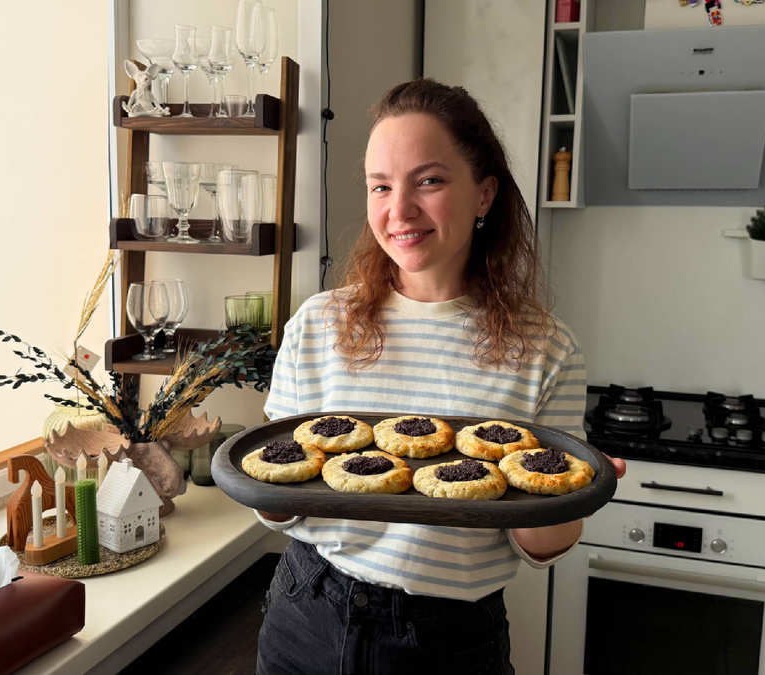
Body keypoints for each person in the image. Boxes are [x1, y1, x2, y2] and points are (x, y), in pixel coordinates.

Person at [254, 78, 627, 675]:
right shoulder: (319, 324)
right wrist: (267, 492)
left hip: (449, 640)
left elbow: (540, 546)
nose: (398, 210)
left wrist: (567, 493)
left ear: (484, 195)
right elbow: (282, 505)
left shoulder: (546, 349)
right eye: (381, 186)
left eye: (428, 181)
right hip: (307, 611)